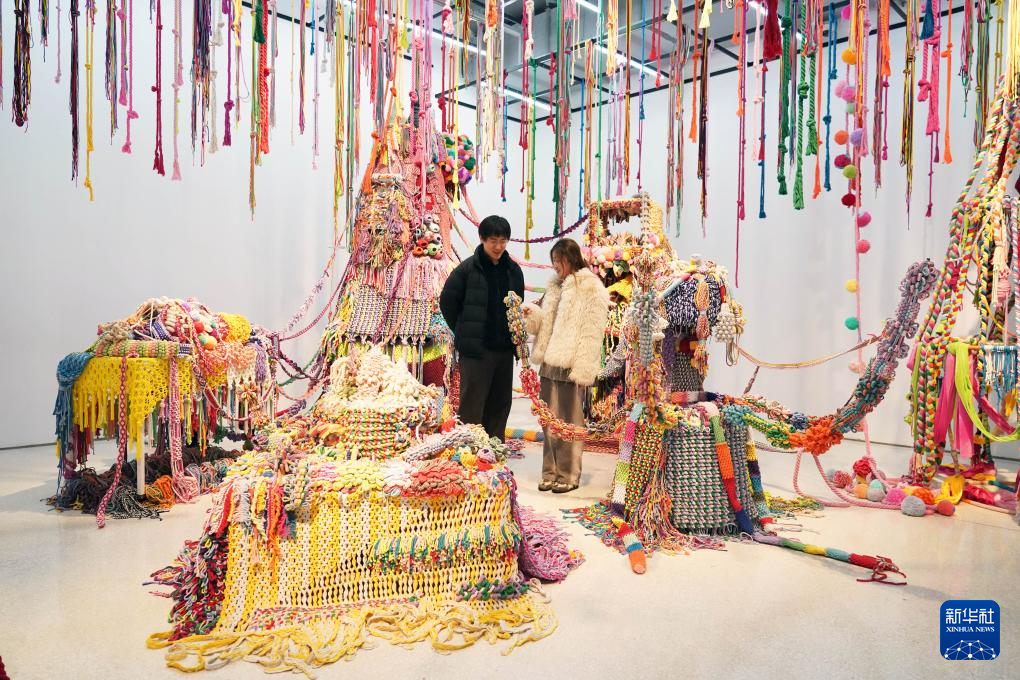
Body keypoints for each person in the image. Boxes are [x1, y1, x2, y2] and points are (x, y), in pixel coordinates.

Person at [523, 238, 610, 493]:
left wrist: (584, 369)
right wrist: (530, 315)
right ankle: (549, 472)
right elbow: (542, 325)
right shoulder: (553, 286)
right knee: (548, 422)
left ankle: (569, 474)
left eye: (559, 260)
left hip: (571, 364)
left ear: (572, 259)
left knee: (570, 423)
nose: (555, 265)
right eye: (553, 260)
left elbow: (592, 331)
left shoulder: (591, 287)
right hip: (549, 363)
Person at [440, 215, 525, 442]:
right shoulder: (467, 269)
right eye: (493, 241)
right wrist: (464, 330)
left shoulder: (513, 270)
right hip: (476, 351)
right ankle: (470, 451)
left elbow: (517, 304)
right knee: (472, 403)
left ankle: (494, 450)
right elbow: (447, 302)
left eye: (503, 241)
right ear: (482, 239)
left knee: (500, 404)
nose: (498, 246)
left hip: (504, 350)